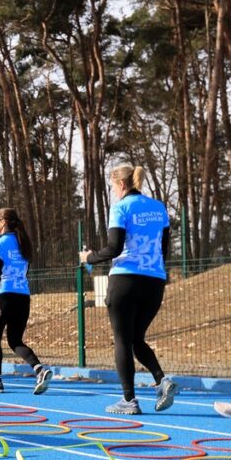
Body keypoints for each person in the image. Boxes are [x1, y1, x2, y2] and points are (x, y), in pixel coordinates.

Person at [80, 163, 177, 414]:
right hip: (155, 281)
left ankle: (129, 400)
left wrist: (89, 257)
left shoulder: (121, 207)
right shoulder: (159, 207)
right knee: (136, 338)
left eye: (113, 187)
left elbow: (114, 248)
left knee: (122, 340)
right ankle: (161, 380)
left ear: (121, 185)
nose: (113, 192)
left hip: (125, 280)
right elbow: (164, 248)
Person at [0, 208, 53, 394]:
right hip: (23, 297)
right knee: (15, 340)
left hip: (5, 296)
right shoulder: (24, 243)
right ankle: (39, 369)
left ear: (4, 222)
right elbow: (23, 270)